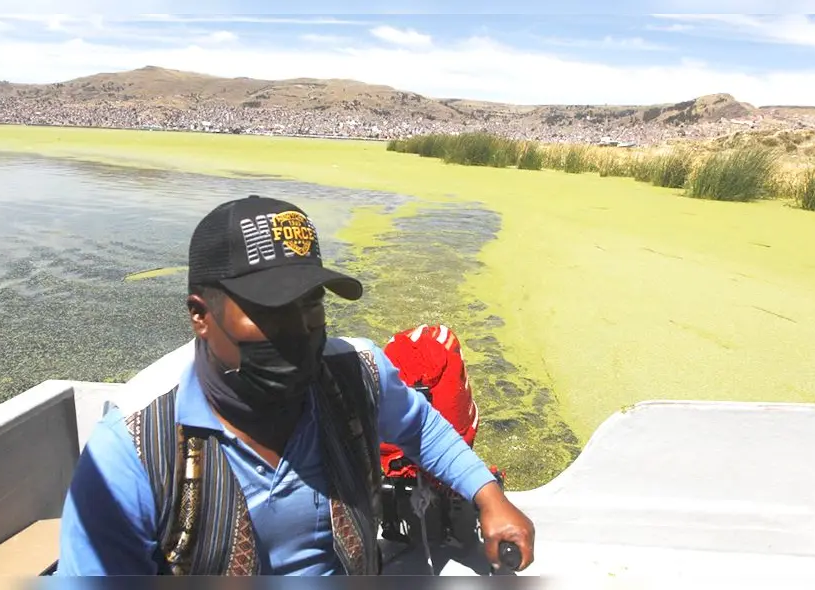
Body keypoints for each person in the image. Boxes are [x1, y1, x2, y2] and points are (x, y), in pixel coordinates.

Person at [56, 195, 535, 576]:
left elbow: (420, 429)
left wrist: (489, 497)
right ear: (201, 315)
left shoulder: (358, 373)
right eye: (268, 310)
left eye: (311, 304)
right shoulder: (134, 448)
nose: (300, 327)